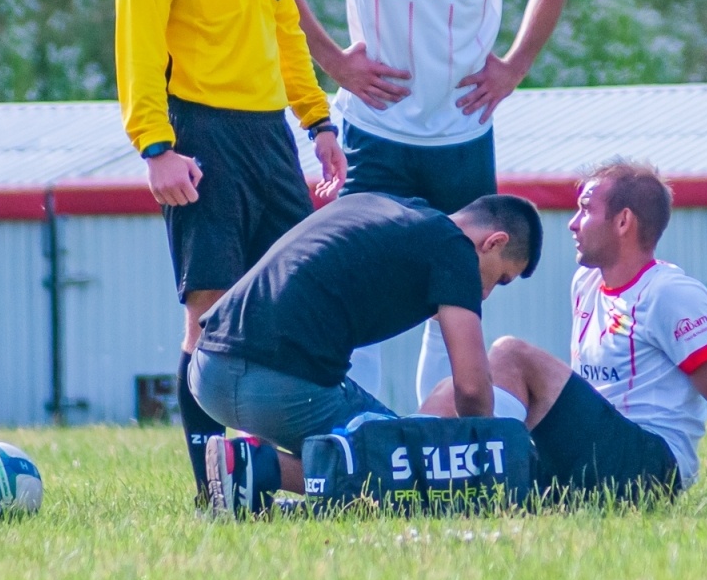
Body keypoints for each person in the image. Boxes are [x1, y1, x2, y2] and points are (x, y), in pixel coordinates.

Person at [283, 0, 570, 404]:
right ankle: (357, 445)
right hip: (374, 134)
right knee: (357, 292)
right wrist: (333, 58)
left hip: (462, 138)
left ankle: (435, 442)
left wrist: (512, 69)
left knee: (456, 302)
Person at [114, 0, 348, 505]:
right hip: (198, 134)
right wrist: (155, 147)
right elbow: (139, 44)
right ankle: (216, 488)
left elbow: (282, 25)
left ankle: (305, 465)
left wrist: (317, 121)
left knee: (297, 299)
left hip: (269, 134)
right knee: (210, 314)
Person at [422, 161, 707, 505]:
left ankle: (456, 466)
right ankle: (397, 465)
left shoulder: (669, 293)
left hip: (650, 466)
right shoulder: (585, 283)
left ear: (623, 222)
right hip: (595, 456)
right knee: (453, 390)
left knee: (509, 354)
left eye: (586, 209)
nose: (572, 223)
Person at [189, 191, 544, 517]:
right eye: (500, 279)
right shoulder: (455, 249)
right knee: (407, 461)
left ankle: (254, 482)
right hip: (274, 383)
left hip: (206, 370)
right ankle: (258, 466)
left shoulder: (379, 205)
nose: (485, 295)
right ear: (494, 242)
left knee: (377, 434)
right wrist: (482, 461)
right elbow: (470, 389)